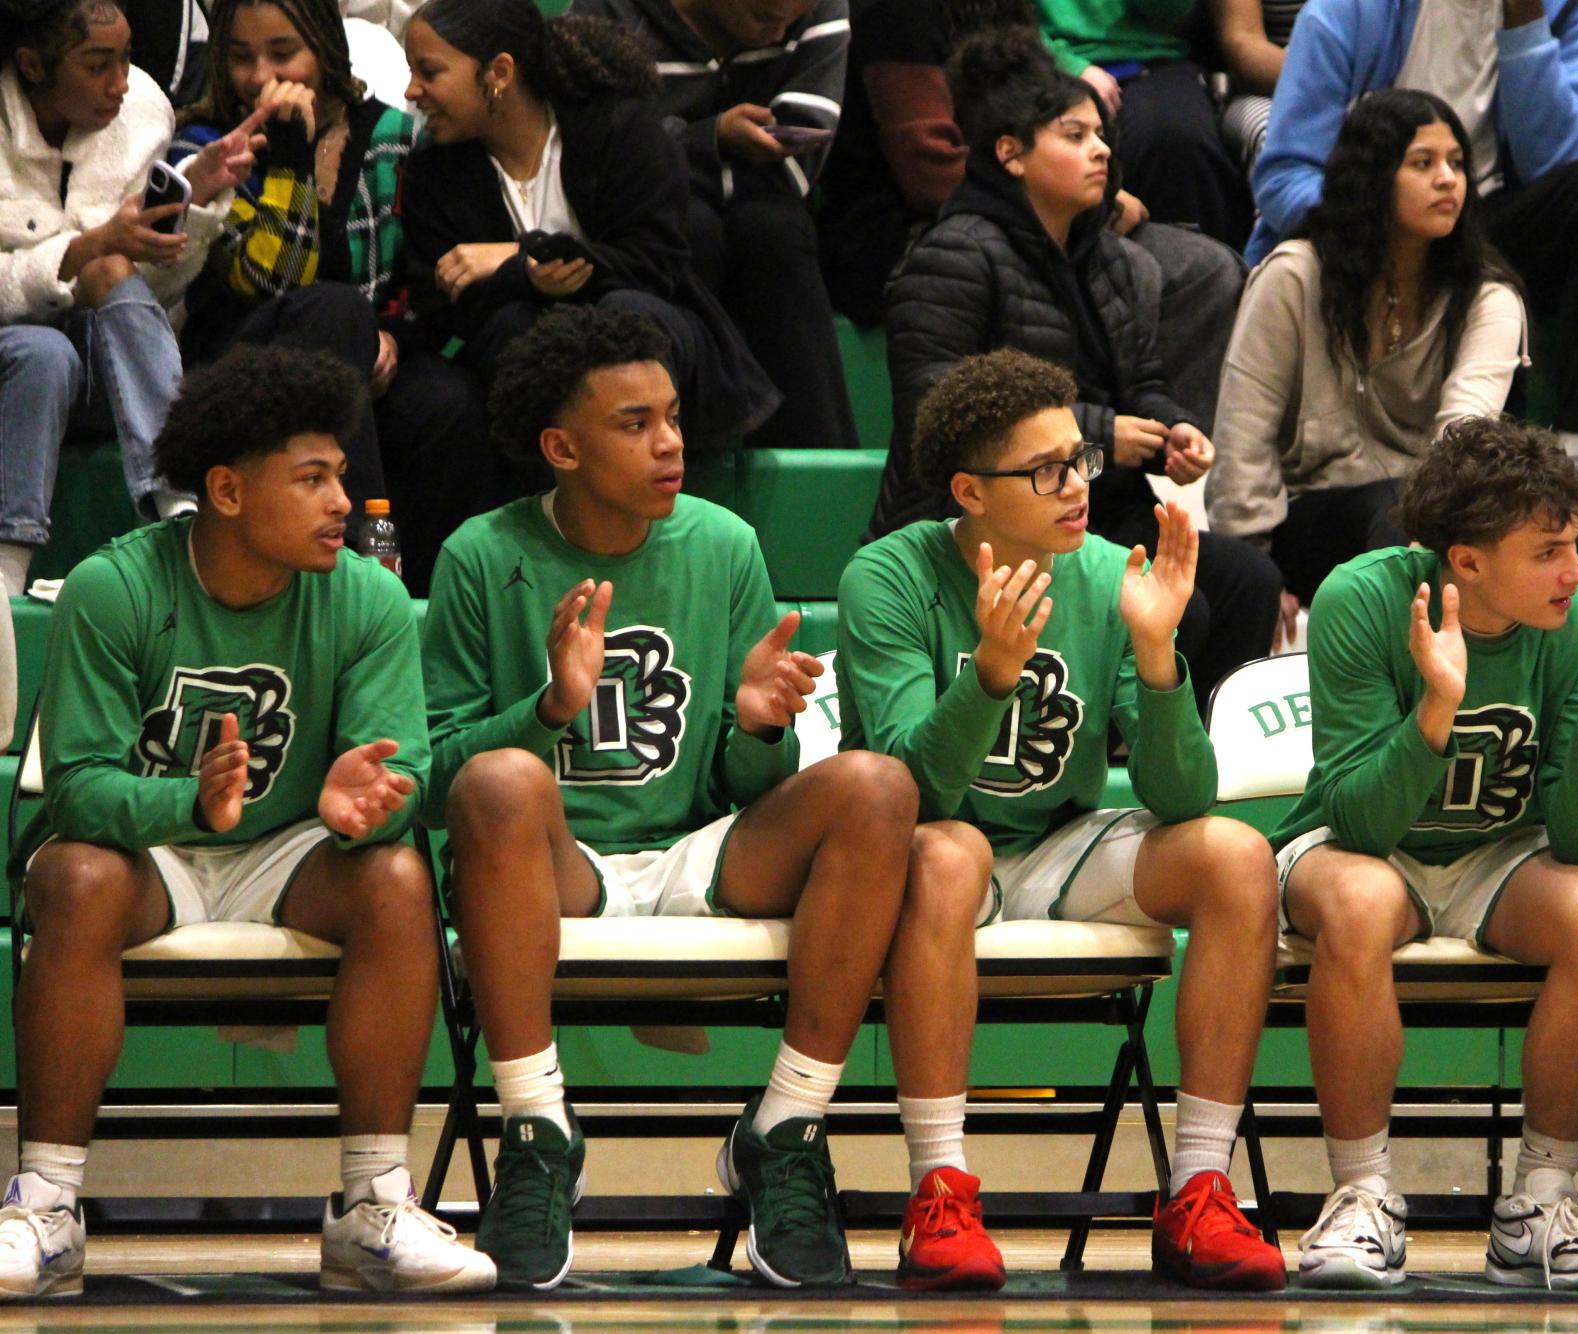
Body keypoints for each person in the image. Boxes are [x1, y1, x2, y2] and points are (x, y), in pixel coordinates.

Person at [422, 305, 1004, 1293]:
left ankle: (786, 1123)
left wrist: (759, 727)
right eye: (636, 423)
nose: (671, 442)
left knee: (876, 784)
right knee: (501, 778)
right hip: (560, 864)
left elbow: (751, 789)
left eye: (676, 417)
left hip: (702, 847)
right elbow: (437, 781)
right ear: (561, 446)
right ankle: (535, 1125)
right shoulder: (482, 553)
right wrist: (550, 706)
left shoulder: (725, 543)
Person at [0, 344, 493, 1299]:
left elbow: (407, 762)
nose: (342, 503)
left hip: (292, 849)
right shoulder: (115, 589)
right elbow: (76, 791)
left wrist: (365, 808)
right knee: (72, 876)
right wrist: (188, 802)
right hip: (153, 854)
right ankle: (47, 1208)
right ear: (226, 491)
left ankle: (372, 1207)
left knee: (397, 878)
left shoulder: (368, 596)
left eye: (340, 475)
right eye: (311, 480)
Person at [838, 347, 1286, 1292]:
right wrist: (991, 676)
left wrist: (1159, 655)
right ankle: (940, 1191)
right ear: (968, 489)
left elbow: (1179, 798)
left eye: (1079, 460)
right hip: (934, 851)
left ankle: (1200, 1186)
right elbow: (913, 791)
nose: (1077, 486)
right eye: (1045, 471)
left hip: (1061, 842)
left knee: (1236, 856)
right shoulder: (886, 578)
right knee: (949, 851)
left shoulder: (1101, 572)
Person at [1270, 415, 1578, 1290]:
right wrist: (1435, 710)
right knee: (1355, 899)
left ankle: (1540, 1202)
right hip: (1363, 851)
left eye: (1576, 545)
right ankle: (1361, 1198)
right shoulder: (1363, 597)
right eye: (1547, 552)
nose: (1576, 572)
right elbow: (1356, 822)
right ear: (1465, 561)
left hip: (1506, 854)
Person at [875, 29, 1283, 707]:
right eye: (1073, 135)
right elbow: (932, 403)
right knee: (1185, 614)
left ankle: (1198, 755)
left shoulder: (1119, 263)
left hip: (1096, 504)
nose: (1100, 150)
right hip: (986, 517)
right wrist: (1101, 435)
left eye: (1102, 135)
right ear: (1009, 153)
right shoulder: (954, 253)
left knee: (1246, 581)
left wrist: (1171, 427)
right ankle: (1113, 753)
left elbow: (1143, 382)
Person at [1246, 0, 1578, 455]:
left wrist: (1526, 22)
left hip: (1485, 221)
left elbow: (1559, 166)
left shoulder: (1569, 7)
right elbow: (1285, 175)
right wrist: (1382, 227)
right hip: (1367, 225)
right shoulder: (1346, 11)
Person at [170, 0, 488, 593]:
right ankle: (369, 566)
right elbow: (267, 284)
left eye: (282, 53)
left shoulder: (394, 136)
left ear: (325, 49)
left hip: (366, 359)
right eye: (241, 58)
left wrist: (393, 333)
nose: (261, 76)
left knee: (448, 402)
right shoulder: (208, 144)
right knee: (335, 308)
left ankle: (436, 599)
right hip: (244, 359)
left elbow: (426, 276)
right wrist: (289, 157)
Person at [817, 0, 1245, 428]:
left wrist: (1097, 198)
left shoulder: (1010, 7)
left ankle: (1172, 461)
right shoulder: (897, 14)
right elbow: (930, 171)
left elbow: (1049, 122)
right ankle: (1089, 462)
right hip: (913, 230)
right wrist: (1090, 204)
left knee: (1205, 270)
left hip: (1041, 213)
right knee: (1035, 285)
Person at [397, 0, 775, 449]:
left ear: (498, 72)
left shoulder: (616, 126)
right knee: (514, 326)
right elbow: (447, 299)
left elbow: (656, 265)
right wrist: (533, 278)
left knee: (627, 316)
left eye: (429, 72)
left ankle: (646, 472)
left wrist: (523, 257)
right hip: (523, 352)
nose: (410, 91)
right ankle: (558, 494)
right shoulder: (431, 170)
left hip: (651, 318)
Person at [1210, 89, 1527, 614]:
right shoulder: (1295, 276)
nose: (1447, 179)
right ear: (1373, 178)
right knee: (1388, 511)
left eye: (1456, 163)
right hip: (1310, 518)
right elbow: (1245, 435)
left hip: (1430, 517)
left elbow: (1461, 439)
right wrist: (1254, 571)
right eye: (1422, 164)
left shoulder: (1488, 297)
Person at [0, 0, 263, 595]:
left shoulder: (142, 112)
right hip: (15, 361)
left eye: (126, 59)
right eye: (99, 65)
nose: (121, 83)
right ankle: (7, 573)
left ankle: (180, 502)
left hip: (97, 362)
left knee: (112, 270)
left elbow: (152, 292)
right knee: (44, 354)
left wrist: (192, 201)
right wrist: (85, 247)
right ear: (32, 65)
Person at [570, 0, 859, 453]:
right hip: (638, 230)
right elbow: (597, 161)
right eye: (764, 16)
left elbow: (795, 170)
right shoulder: (605, 10)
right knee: (690, 229)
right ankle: (679, 456)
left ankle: (817, 471)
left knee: (773, 231)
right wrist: (713, 138)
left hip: (764, 213)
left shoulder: (818, 6)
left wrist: (683, 150)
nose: (778, 33)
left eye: (791, 24)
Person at [1030, 0, 1253, 248]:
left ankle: (1199, 276)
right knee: (1058, 147)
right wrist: (1068, 66)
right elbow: (994, 25)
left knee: (1178, 139)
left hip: (1145, 58)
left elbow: (1170, 15)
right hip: (1034, 62)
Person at [1210, 0, 1303, 172]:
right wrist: (1326, 82)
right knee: (1287, 139)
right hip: (1262, 89)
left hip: (1348, 79)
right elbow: (1244, 47)